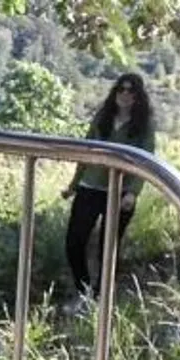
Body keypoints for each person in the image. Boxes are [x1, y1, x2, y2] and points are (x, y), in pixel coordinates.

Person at [62, 73, 156, 310]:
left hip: (121, 192)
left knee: (108, 248)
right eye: (121, 89)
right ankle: (84, 293)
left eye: (130, 91)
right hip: (90, 187)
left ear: (138, 97)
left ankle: (100, 299)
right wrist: (74, 184)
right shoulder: (102, 117)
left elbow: (145, 161)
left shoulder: (144, 126)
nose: (125, 95)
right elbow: (86, 149)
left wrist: (133, 193)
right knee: (74, 241)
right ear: (114, 93)